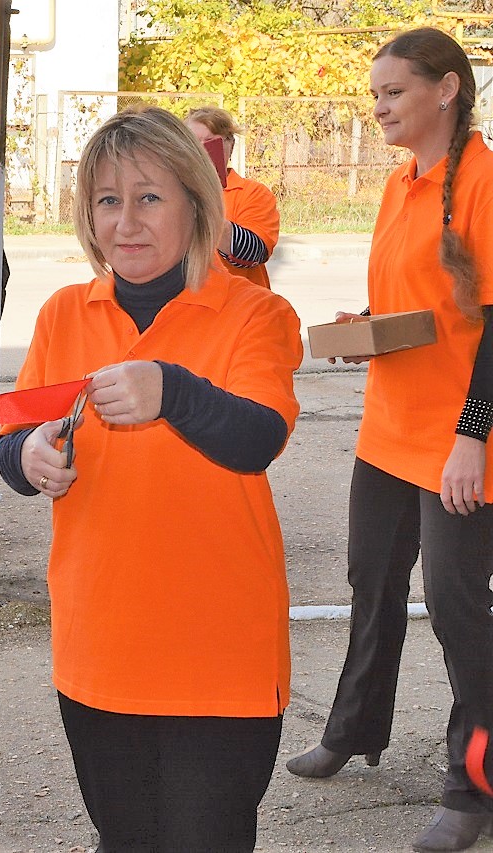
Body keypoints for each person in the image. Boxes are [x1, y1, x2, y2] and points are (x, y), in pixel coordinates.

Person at [0, 105, 302, 851]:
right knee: (125, 837)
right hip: (100, 647)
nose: (126, 221)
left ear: (197, 204)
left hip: (221, 654)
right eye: (108, 200)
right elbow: (10, 439)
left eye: (149, 197)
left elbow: (259, 437)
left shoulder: (255, 314)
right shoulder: (65, 312)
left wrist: (174, 389)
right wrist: (28, 456)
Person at [284, 27, 493, 853]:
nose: (377, 109)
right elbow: (428, 309)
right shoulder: (401, 182)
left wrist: (472, 438)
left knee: (455, 605)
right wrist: (365, 329)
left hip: (461, 438)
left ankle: (471, 782)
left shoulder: (485, 178)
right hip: (387, 425)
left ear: (445, 90)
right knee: (372, 579)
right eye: (373, 95)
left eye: (393, 92)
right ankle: (353, 727)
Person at [184, 106, 281, 289]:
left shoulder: (253, 193)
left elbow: (254, 253)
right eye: (194, 142)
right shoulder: (168, 192)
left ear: (231, 145)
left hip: (242, 307)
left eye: (211, 142)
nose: (202, 151)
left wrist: (203, 206)